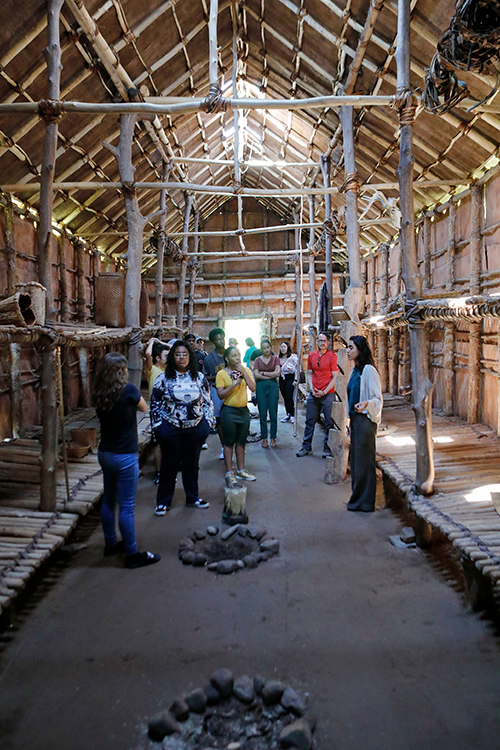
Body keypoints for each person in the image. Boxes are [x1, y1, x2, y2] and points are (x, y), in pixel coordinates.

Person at [93, 353, 161, 569]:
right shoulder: (129, 390)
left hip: (105, 453)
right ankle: (132, 554)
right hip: (125, 455)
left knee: (108, 501)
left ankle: (111, 543)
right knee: (127, 507)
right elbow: (144, 407)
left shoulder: (99, 392)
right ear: (120, 371)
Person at [151, 340, 214, 515]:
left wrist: (207, 424)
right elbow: (154, 404)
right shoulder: (163, 378)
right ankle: (163, 502)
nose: (181, 357)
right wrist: (158, 428)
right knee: (169, 465)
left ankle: (193, 497)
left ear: (190, 357)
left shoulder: (199, 378)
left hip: (194, 429)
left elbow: (208, 402)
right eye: (177, 354)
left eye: (184, 354)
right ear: (173, 357)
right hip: (171, 428)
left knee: (191, 464)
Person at [346, 335, 383, 513]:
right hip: (355, 420)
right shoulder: (355, 371)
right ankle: (357, 499)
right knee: (356, 462)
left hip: (365, 422)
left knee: (365, 463)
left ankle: (366, 503)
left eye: (351, 347)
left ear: (360, 349)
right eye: (347, 347)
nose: (348, 350)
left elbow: (377, 398)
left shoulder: (369, 370)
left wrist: (367, 405)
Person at [216, 345, 257, 487]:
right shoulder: (221, 374)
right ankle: (229, 472)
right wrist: (234, 385)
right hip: (229, 412)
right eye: (233, 355)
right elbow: (220, 394)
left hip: (243, 411)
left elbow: (253, 388)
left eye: (238, 355)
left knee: (241, 442)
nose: (237, 358)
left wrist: (244, 373)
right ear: (227, 358)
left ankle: (241, 470)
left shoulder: (244, 371)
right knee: (229, 443)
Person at [296, 332, 339, 458]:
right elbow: (309, 373)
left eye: (324, 341)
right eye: (320, 340)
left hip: (328, 393)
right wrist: (313, 389)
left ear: (328, 342)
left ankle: (327, 448)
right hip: (314, 393)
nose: (322, 343)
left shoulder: (332, 357)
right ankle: (306, 446)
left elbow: (335, 376)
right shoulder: (312, 356)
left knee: (329, 422)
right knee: (310, 421)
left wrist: (324, 391)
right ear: (317, 342)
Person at [144, 338, 170, 484]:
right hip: (157, 409)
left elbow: (176, 348)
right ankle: (159, 472)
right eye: (166, 356)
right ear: (158, 358)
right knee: (158, 442)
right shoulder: (152, 369)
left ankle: (168, 468)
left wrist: (163, 343)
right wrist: (152, 342)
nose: (169, 358)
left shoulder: (168, 371)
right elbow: (148, 354)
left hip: (169, 408)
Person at [203, 327, 226, 459]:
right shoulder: (209, 359)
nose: (220, 341)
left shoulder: (230, 354)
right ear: (213, 342)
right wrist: (219, 375)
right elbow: (205, 377)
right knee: (219, 420)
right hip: (217, 390)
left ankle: (233, 446)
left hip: (232, 390)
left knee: (233, 418)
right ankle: (224, 447)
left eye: (221, 338)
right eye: (217, 339)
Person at [253, 338, 281, 448]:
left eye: (268, 347)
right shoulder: (257, 360)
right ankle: (264, 438)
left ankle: (273, 437)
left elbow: (278, 373)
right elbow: (256, 375)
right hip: (260, 387)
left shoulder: (275, 359)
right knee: (262, 413)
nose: (266, 350)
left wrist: (263, 373)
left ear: (271, 347)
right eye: (264, 348)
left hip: (273, 386)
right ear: (261, 349)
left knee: (273, 413)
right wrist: (271, 374)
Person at [279, 342, 299, 423]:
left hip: (290, 378)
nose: (283, 348)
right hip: (282, 378)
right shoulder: (278, 358)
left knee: (289, 396)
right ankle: (288, 413)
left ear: (288, 348)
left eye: (284, 347)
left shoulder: (293, 357)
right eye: (281, 347)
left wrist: (295, 380)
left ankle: (293, 414)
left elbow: (297, 369)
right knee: (284, 397)